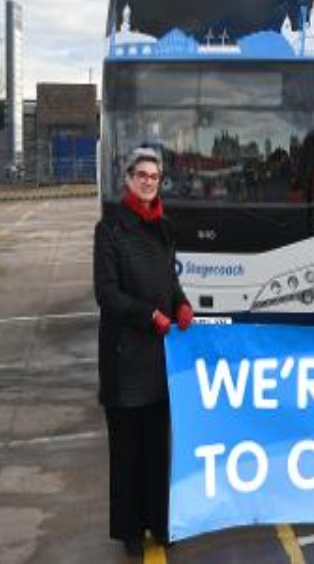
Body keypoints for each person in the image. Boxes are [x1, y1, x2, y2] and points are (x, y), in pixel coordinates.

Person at [93, 147, 194, 556]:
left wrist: (182, 303)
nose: (149, 180)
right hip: (124, 358)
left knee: (157, 446)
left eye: (155, 175)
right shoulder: (110, 227)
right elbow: (106, 293)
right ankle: (130, 529)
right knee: (127, 449)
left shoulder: (165, 227)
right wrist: (147, 315)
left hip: (159, 358)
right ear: (129, 179)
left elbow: (168, 282)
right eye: (142, 174)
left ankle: (159, 521)